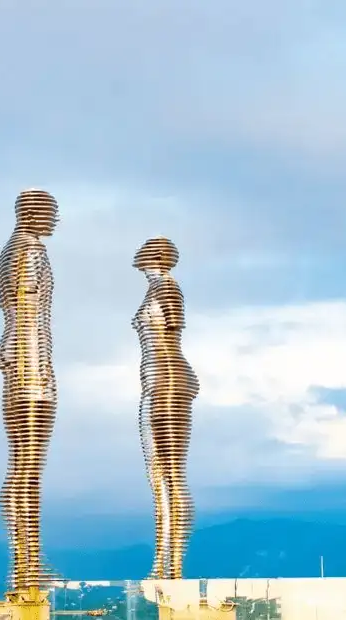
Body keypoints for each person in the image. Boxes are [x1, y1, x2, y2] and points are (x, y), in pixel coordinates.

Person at [0, 189, 58, 590]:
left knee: (21, 468)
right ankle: (28, 567)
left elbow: (12, 310)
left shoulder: (9, 250)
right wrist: (40, 369)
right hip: (31, 368)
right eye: (51, 211)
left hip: (18, 363)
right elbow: (30, 312)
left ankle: (26, 565)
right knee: (29, 470)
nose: (55, 219)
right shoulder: (30, 252)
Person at [132, 236, 199, 580]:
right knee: (157, 477)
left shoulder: (169, 289)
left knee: (172, 475)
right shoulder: (155, 289)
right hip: (154, 383)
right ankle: (162, 561)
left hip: (169, 382)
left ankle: (174, 565)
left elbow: (172, 331)